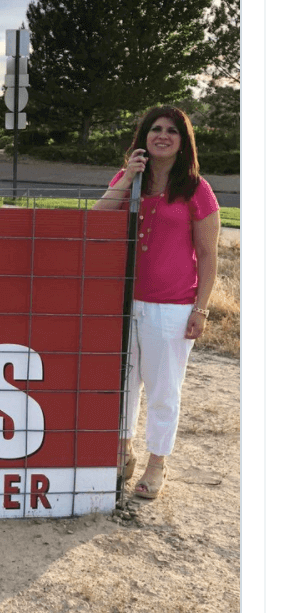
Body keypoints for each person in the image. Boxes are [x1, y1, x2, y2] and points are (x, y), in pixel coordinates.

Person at [93, 106, 220, 499]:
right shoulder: (129, 180)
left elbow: (209, 255)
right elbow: (96, 220)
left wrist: (201, 308)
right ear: (144, 137)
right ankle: (122, 449)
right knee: (122, 384)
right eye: (155, 129)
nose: (162, 135)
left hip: (172, 307)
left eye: (172, 131)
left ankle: (157, 463)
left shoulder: (196, 189)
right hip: (123, 302)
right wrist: (128, 177)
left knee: (163, 389)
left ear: (183, 142)